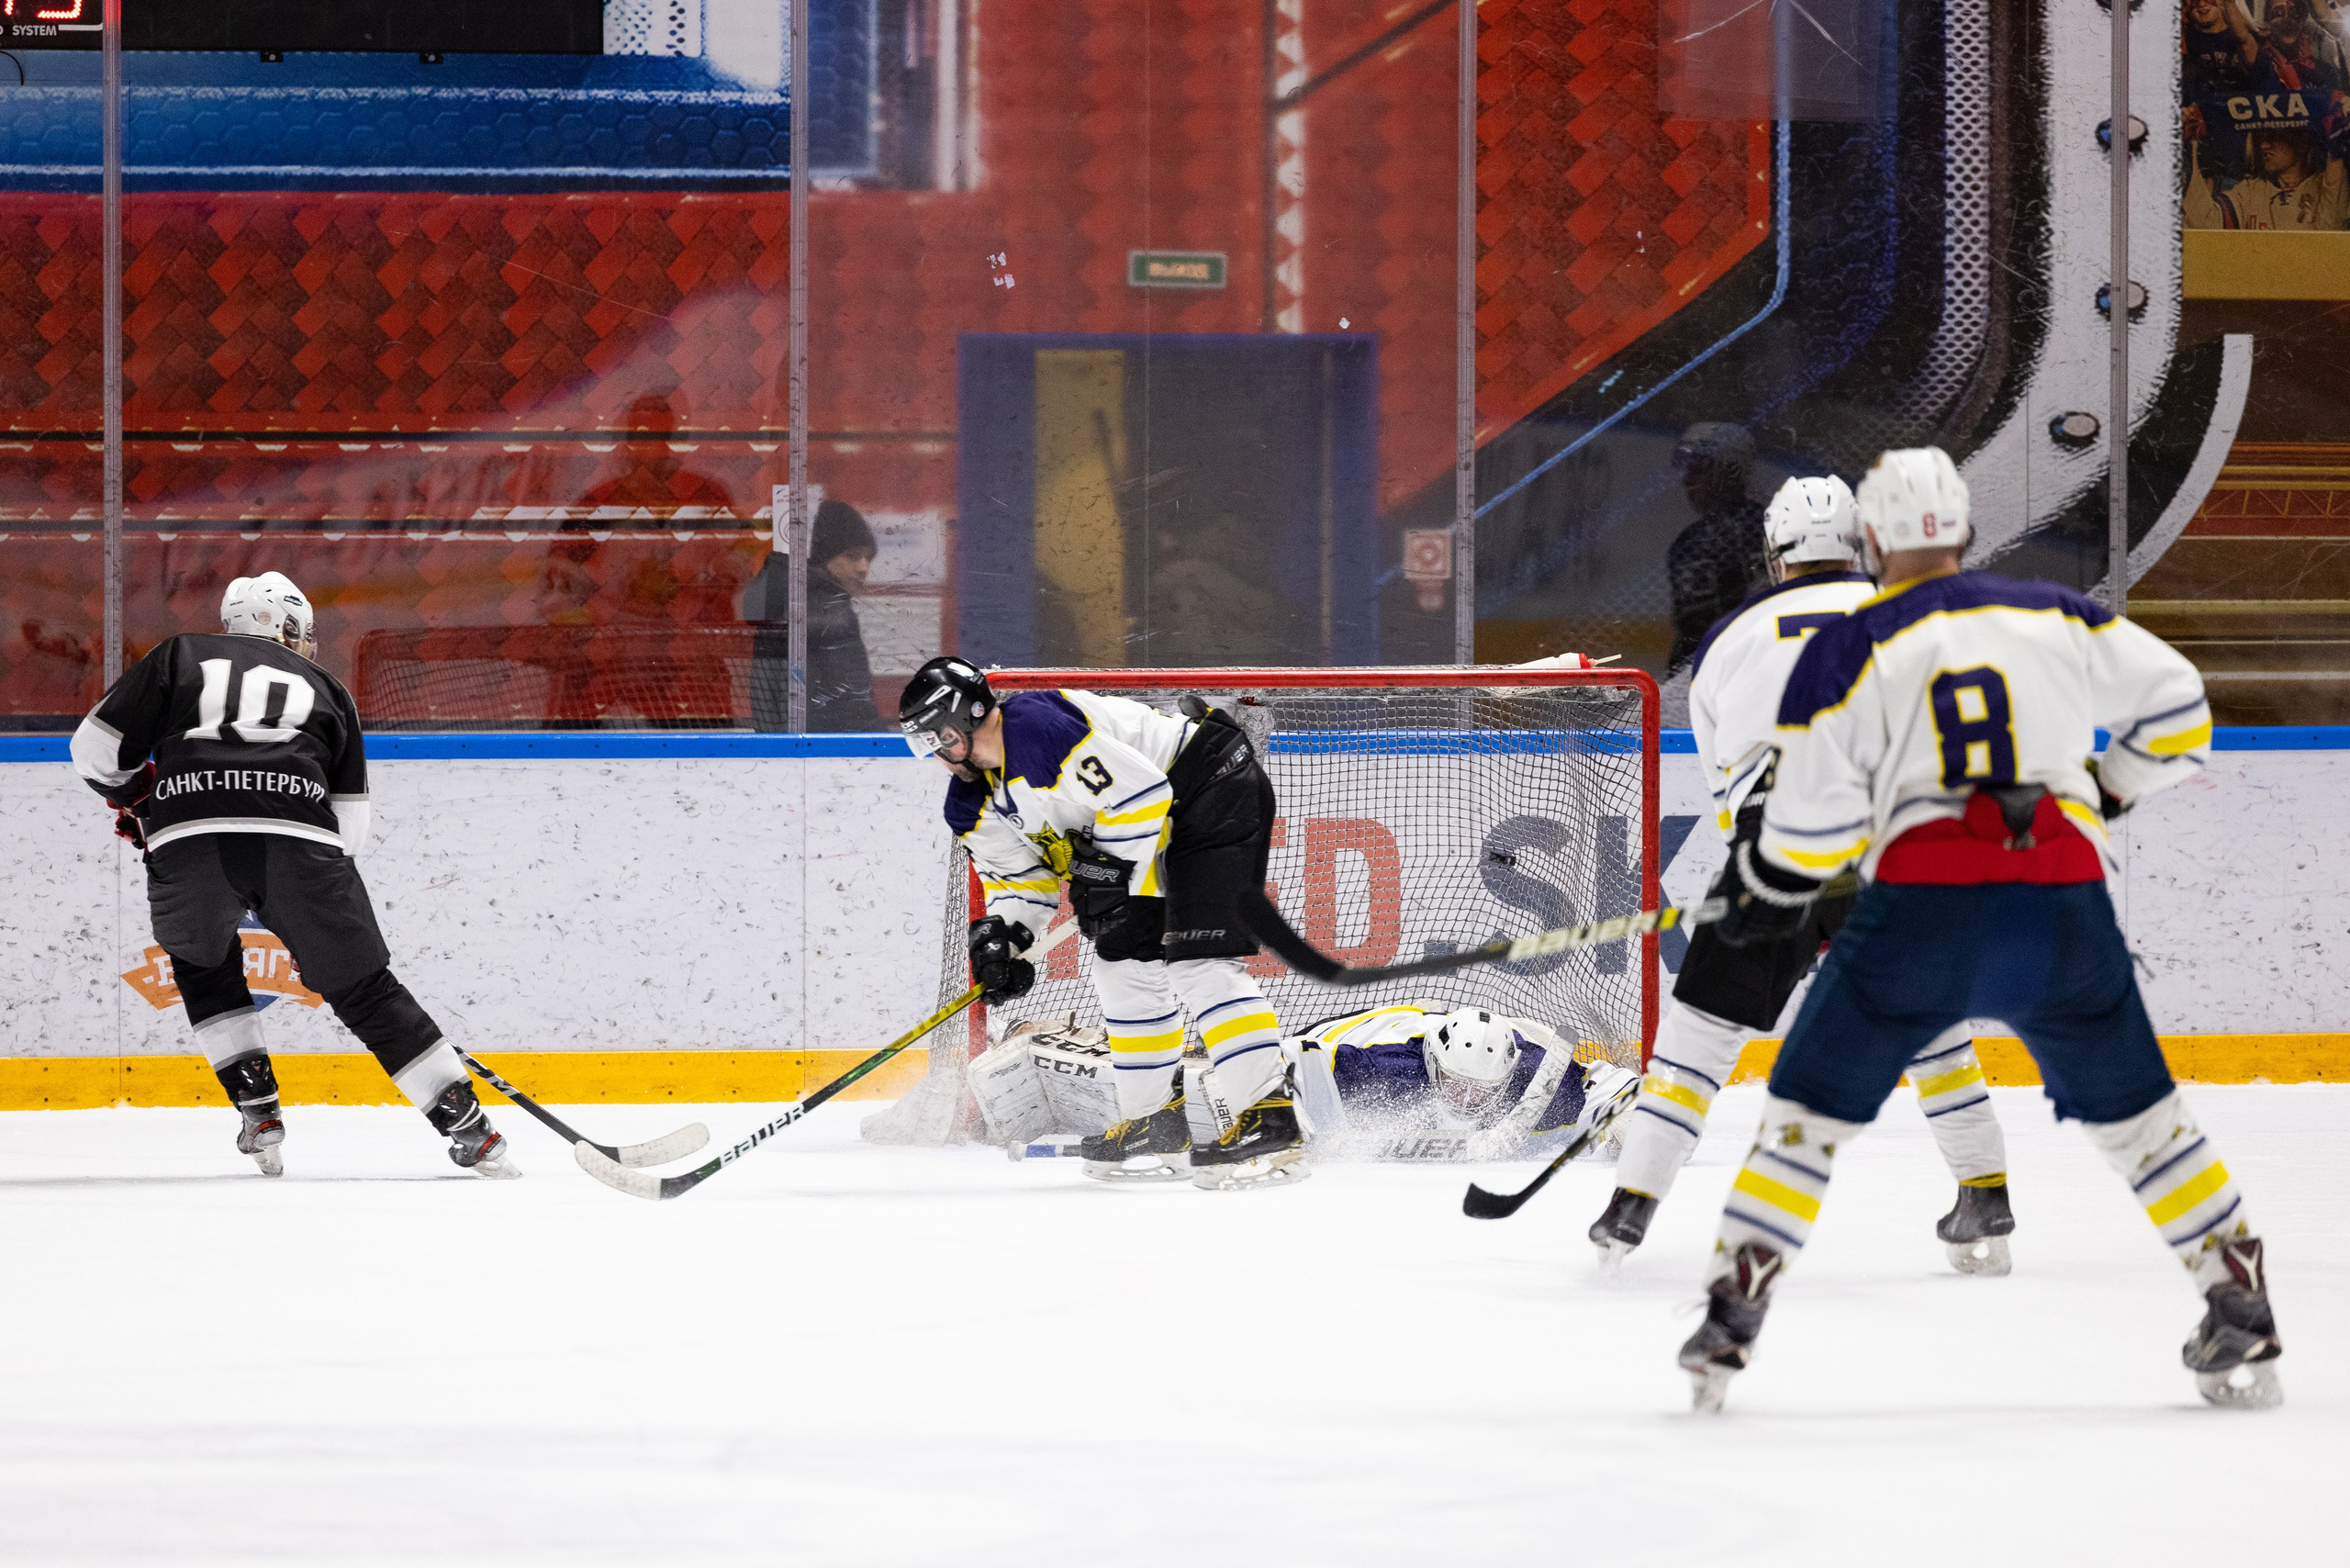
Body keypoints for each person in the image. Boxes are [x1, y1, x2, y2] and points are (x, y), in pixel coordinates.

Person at [1682, 448, 2281, 1412]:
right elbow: (2179, 712)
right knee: (2144, 1124)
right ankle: (2236, 1297)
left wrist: (1764, 888)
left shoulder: (1849, 644)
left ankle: (1731, 1313)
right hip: (2062, 905)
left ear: (1870, 540)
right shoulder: (2057, 614)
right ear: (1961, 529)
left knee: (1805, 1120)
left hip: (1920, 912)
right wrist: (2108, 789)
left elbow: (1805, 819)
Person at [1591, 476, 2017, 1275]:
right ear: (1859, 546)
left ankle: (1630, 1206)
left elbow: (1726, 782)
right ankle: (1984, 1191)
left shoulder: (1731, 634)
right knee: (1932, 1034)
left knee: (1697, 1043)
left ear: (1775, 554)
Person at [70, 572, 518, 1179]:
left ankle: (258, 1111)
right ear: (286, 627)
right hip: (299, 840)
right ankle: (470, 1126)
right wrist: (316, 928)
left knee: (202, 964)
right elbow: (349, 830)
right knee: (365, 988)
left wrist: (144, 801)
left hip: (189, 837)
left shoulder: (179, 655)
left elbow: (93, 751)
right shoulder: (328, 687)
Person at [898, 656, 1304, 1188]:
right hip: (1155, 828)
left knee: (1198, 961)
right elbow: (1022, 885)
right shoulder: (970, 803)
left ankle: (1268, 1114)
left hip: (1209, 785)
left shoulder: (1037, 730)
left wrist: (1107, 870)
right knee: (1122, 964)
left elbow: (1144, 793)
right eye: (924, 743)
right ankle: (1155, 1121)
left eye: (940, 736)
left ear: (972, 714)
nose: (937, 754)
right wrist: (1005, 940)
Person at [966, 1004, 1639, 1162]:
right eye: (1454, 1087)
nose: (1464, 1100)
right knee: (1205, 1069)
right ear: (1434, 1064)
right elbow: (1284, 1061)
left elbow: (1617, 1087)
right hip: (1320, 1041)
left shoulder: (1534, 1079)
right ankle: (1061, 1038)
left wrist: (1632, 1118)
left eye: (1476, 1094)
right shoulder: (1381, 1065)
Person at [747, 498, 884, 732]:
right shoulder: (831, 611)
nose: (863, 568)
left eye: (868, 557)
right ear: (826, 557)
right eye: (853, 556)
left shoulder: (793, 604)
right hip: (834, 751)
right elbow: (854, 704)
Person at [1664, 423, 1768, 674]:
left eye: (1698, 468)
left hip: (1714, 676)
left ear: (1731, 470)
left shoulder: (1693, 544)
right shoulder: (1774, 526)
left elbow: (1695, 636)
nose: (1687, 480)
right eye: (1686, 468)